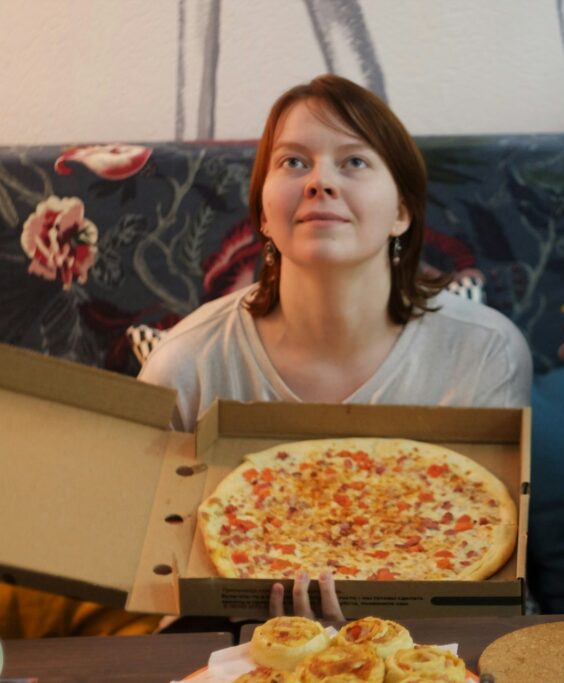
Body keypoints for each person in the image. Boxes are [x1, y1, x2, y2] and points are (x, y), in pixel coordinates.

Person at [133, 74, 531, 619]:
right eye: (293, 162)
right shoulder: (185, 364)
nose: (320, 181)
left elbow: (483, 581)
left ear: (401, 212)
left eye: (354, 162)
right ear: (263, 215)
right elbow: (152, 583)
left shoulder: (486, 352)